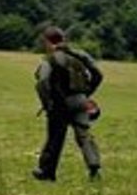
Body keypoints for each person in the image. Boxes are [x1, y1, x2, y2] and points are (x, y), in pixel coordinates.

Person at [32, 25, 104, 182]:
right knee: (84, 134)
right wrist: (86, 93)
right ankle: (94, 165)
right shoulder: (78, 55)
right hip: (80, 100)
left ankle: (46, 172)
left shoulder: (50, 59)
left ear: (47, 41)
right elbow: (97, 74)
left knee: (55, 137)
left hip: (61, 103)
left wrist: (47, 102)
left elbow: (43, 81)